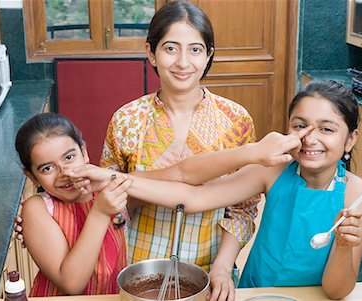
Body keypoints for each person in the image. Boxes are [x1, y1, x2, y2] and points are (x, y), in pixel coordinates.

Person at [70, 80, 362, 299]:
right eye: (300, 126)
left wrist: (345, 247)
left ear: (350, 139)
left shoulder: (356, 195)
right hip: (256, 294)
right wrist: (115, 179)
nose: (310, 138)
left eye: (327, 129)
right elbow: (193, 196)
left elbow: (337, 291)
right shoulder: (272, 171)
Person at [99, 1, 261, 300]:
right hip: (136, 271)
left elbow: (243, 208)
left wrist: (223, 268)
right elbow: (110, 208)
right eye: (171, 48)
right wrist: (156, 180)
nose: (183, 62)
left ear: (209, 55)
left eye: (196, 49)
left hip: (210, 271)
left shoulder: (235, 120)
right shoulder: (127, 120)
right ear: (152, 53)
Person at [15, 112, 131, 296]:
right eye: (47, 168)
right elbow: (71, 284)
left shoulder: (105, 187)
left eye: (69, 158)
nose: (64, 173)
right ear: (32, 177)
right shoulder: (38, 209)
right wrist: (100, 212)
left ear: (83, 152)